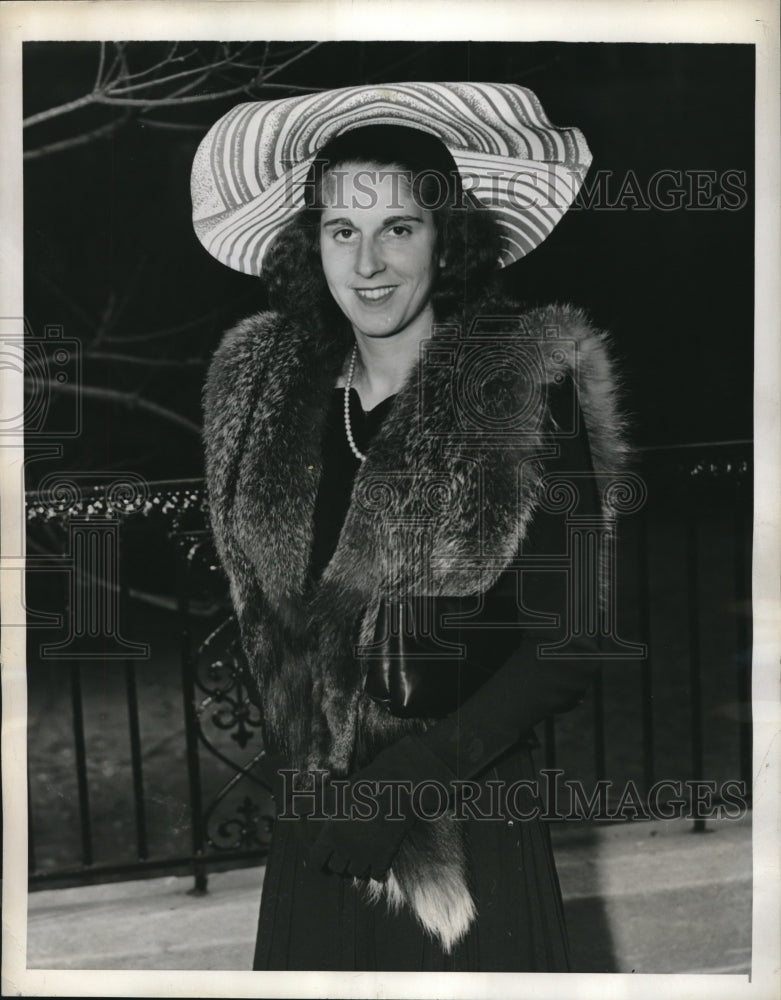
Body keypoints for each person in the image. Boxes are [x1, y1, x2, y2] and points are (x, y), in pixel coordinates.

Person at [194, 82, 628, 972]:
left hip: (465, 823)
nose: (368, 263)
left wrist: (408, 779)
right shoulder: (267, 400)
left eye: (399, 226)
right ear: (308, 246)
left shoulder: (521, 385)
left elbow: (576, 639)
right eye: (340, 231)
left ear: (447, 236)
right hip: (318, 828)